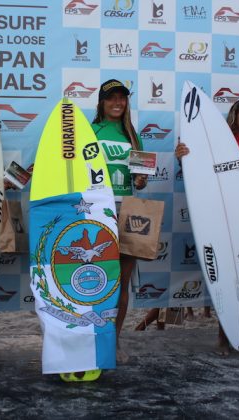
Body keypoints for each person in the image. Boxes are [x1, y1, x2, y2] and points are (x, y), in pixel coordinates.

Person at [174, 98, 239, 359]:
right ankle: (223, 335)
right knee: (227, 275)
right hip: (227, 219)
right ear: (235, 117)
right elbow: (199, 173)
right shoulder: (220, 147)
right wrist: (183, 157)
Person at [91, 79, 147, 362]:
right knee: (97, 278)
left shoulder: (133, 135)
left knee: (122, 281)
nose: (117, 103)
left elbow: (141, 179)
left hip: (126, 208)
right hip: (96, 209)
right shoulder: (90, 130)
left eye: (122, 98)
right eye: (111, 98)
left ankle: (114, 339)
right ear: (101, 102)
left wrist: (140, 179)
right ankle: (92, 337)